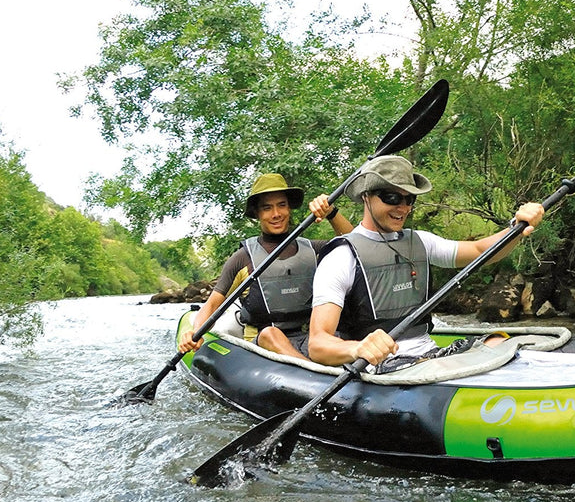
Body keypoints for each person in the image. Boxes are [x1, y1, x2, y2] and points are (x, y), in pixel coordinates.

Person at [308, 155, 544, 370]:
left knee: (497, 341)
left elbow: (481, 250)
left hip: (428, 354)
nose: (403, 208)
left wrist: (517, 228)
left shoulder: (421, 241)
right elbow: (318, 344)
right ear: (366, 196)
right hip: (380, 365)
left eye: (409, 199)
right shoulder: (341, 256)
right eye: (392, 197)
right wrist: (356, 349)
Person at [179, 172, 354, 359]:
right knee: (271, 334)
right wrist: (194, 332)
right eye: (267, 208)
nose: (276, 214)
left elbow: (354, 245)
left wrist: (332, 213)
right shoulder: (242, 258)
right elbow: (212, 305)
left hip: (309, 338)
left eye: (282, 205)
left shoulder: (314, 250)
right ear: (257, 214)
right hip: (263, 344)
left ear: (289, 208)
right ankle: (313, 371)